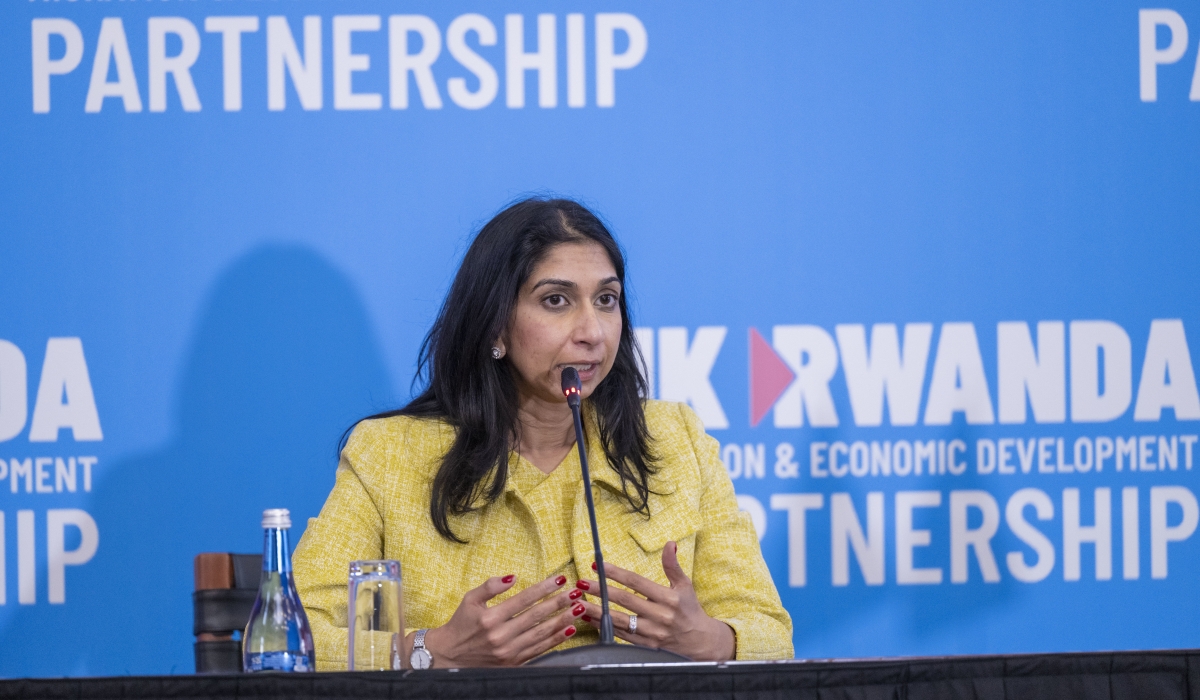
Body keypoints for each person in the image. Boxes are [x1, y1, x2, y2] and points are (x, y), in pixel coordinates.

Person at [292, 197, 792, 669]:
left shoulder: (676, 440)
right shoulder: (390, 457)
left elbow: (770, 633)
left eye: (606, 299)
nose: (592, 331)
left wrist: (712, 640)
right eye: (556, 300)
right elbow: (295, 640)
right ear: (495, 327)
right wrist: (431, 650)